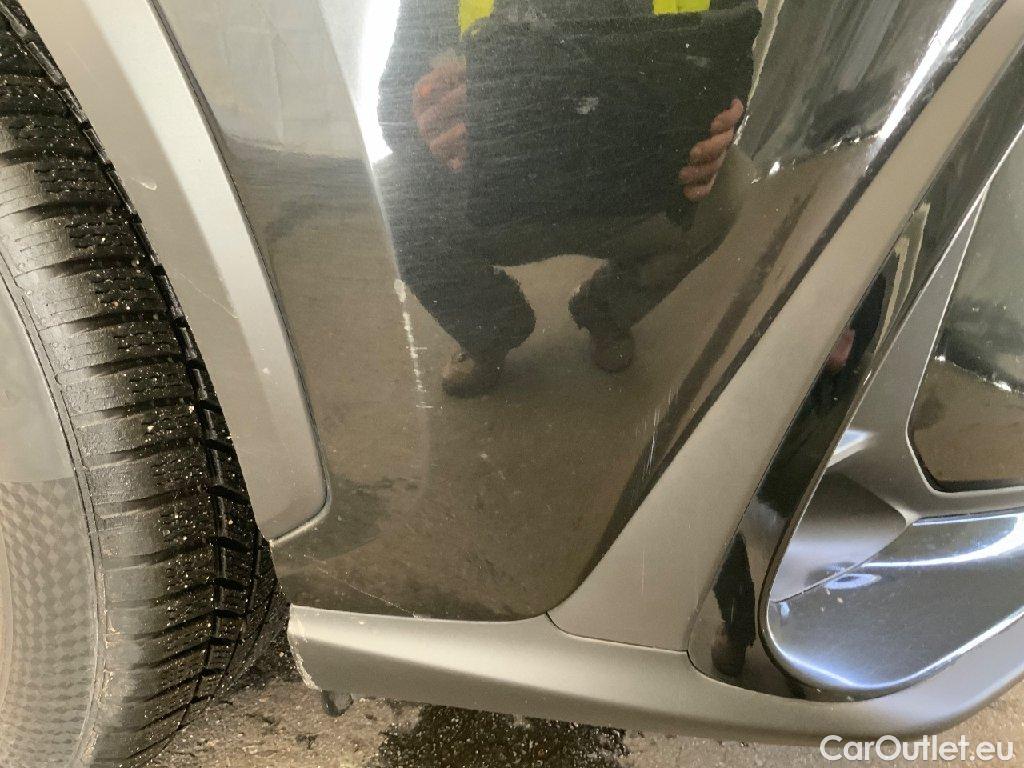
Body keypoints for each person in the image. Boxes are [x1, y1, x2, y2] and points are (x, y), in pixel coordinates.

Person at [378, 0, 755, 397]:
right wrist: (424, 119)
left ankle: (606, 310)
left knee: (729, 183)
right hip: (501, 197)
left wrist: (726, 124)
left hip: (628, 189)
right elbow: (392, 105)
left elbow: (733, 61)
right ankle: (492, 330)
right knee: (394, 198)